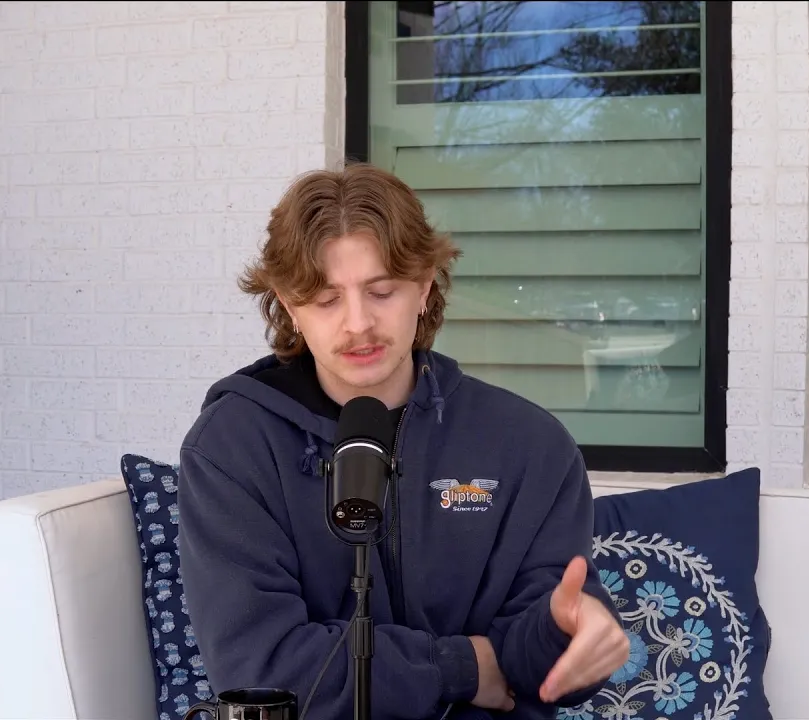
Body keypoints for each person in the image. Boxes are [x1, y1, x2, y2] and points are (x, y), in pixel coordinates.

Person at [177, 163, 629, 720]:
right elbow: (260, 672)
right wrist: (460, 667)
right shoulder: (231, 448)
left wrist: (569, 630)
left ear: (424, 287)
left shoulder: (532, 447)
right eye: (326, 299)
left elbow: (532, 661)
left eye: (382, 291)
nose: (358, 323)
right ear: (290, 307)